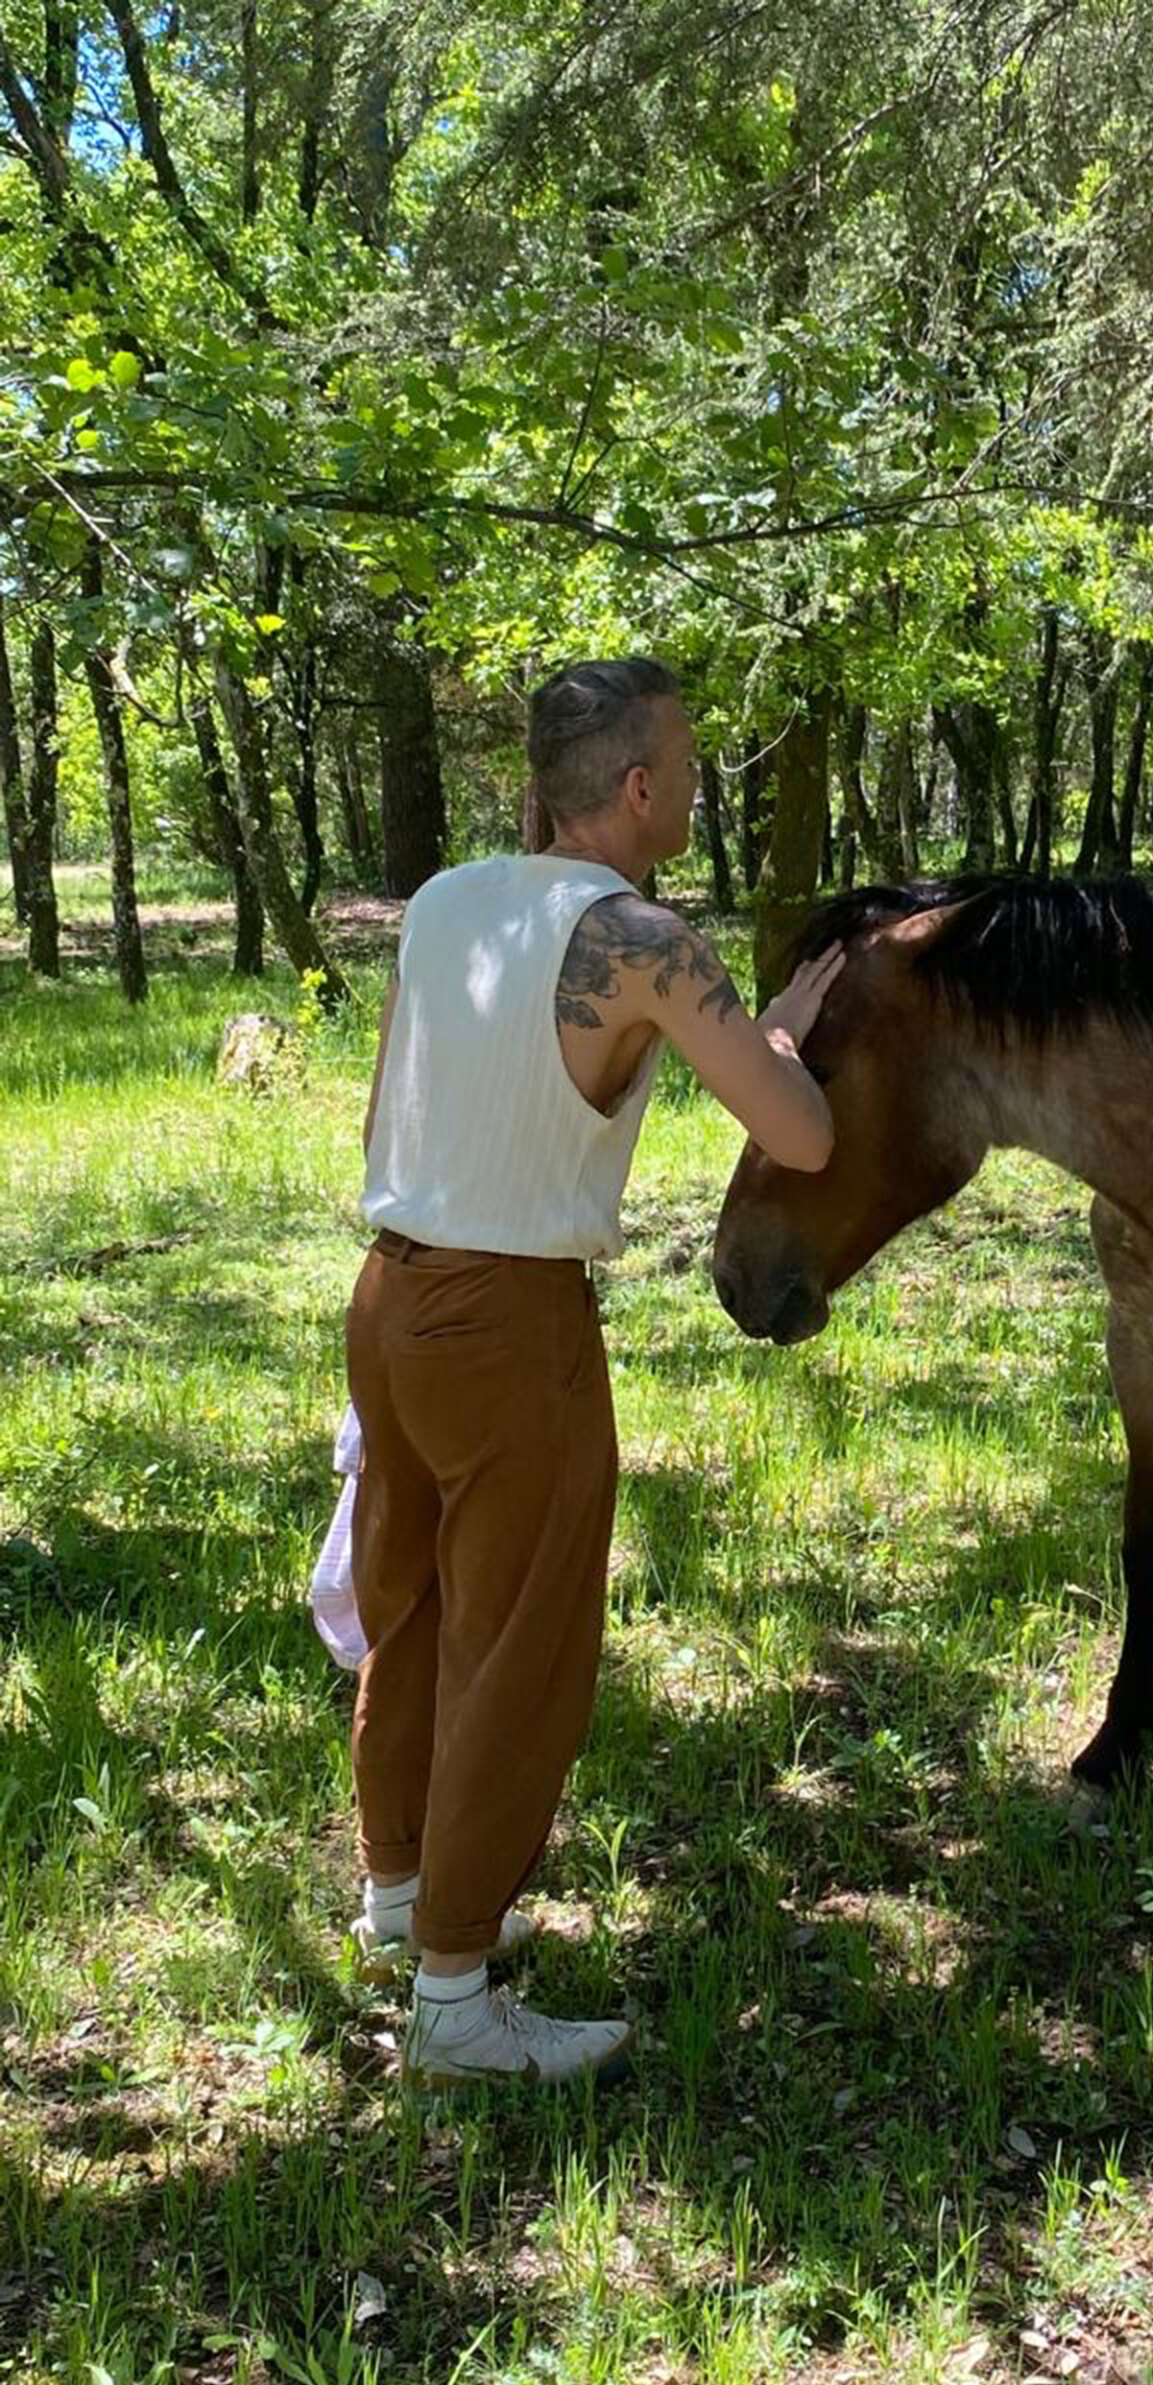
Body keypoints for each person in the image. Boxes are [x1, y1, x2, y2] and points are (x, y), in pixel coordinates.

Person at [347, 655, 841, 2090]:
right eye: (684, 766)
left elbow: (391, 1104)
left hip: (388, 1292)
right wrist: (779, 1030)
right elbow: (803, 1136)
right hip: (511, 1325)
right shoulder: (642, 940)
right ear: (634, 787)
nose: (694, 786)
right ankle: (454, 2002)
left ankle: (398, 1898)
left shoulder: (446, 901)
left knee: (410, 1609)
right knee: (521, 1644)